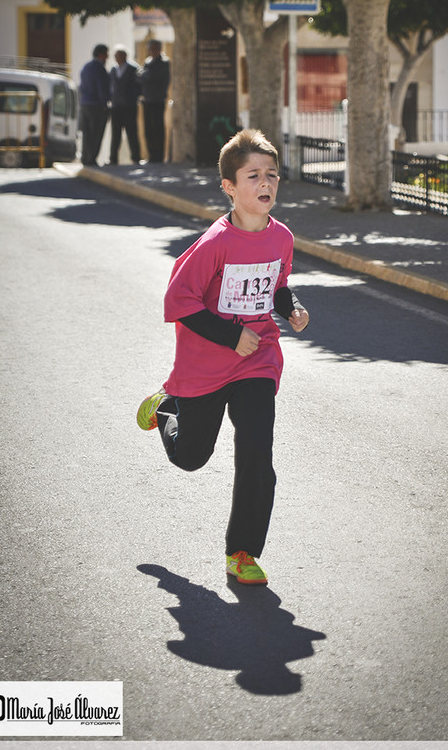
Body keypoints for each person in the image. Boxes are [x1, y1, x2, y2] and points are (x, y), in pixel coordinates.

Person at [136, 129, 309, 586]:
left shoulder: (282, 237)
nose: (265, 182)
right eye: (253, 175)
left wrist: (289, 308)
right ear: (229, 187)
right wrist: (231, 337)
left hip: (258, 361)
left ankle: (243, 552)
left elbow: (276, 284)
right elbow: (180, 302)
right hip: (206, 367)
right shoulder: (214, 243)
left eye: (271, 174)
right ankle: (167, 405)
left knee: (257, 452)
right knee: (191, 458)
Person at [138, 39, 170, 162]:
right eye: (151, 49)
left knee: (158, 128)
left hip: (158, 99)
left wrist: (146, 76)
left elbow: (152, 77)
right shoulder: (147, 62)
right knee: (148, 129)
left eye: (155, 49)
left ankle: (159, 155)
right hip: (147, 99)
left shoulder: (164, 62)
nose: (153, 51)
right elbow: (140, 76)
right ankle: (151, 154)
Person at [108, 45, 141, 165]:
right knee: (115, 134)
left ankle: (136, 157)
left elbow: (139, 86)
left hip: (129, 106)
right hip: (116, 106)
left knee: (132, 132)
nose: (118, 58)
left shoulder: (133, 69)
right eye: (116, 56)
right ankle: (113, 158)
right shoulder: (113, 70)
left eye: (120, 56)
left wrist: (134, 98)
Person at [79, 44, 110, 166]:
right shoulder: (99, 68)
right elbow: (102, 88)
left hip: (85, 104)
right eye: (106, 54)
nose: (107, 57)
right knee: (96, 133)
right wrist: (105, 104)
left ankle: (85, 157)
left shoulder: (86, 67)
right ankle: (91, 158)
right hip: (96, 105)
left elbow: (82, 86)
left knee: (87, 133)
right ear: (101, 54)